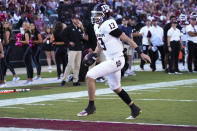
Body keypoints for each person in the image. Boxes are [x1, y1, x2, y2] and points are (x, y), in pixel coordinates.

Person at [77, 3, 151, 119]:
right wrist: (95, 54)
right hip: (111, 59)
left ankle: (91, 106)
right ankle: (134, 108)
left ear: (105, 15)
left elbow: (126, 38)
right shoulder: (97, 27)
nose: (95, 17)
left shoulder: (108, 24)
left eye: (98, 15)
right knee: (115, 87)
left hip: (117, 59)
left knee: (90, 76)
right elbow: (100, 43)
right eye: (95, 15)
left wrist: (140, 52)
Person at [61, 14, 87, 86]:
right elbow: (62, 35)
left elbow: (83, 38)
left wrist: (82, 29)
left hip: (79, 49)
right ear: (72, 19)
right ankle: (63, 80)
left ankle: (75, 81)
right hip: (72, 49)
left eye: (78, 18)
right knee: (69, 65)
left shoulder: (79, 29)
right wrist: (68, 42)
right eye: (75, 18)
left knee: (77, 65)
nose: (77, 20)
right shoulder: (69, 28)